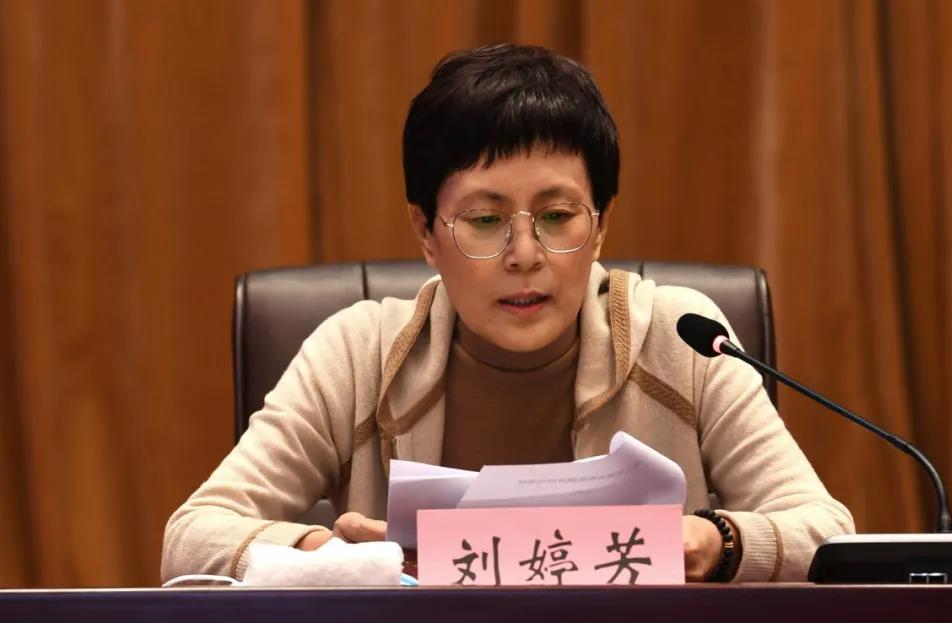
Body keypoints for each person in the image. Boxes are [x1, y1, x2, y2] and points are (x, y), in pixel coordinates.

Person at [162, 44, 853, 584]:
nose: (525, 255)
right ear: (426, 232)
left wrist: (715, 541)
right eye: (486, 220)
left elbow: (828, 535)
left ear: (601, 224)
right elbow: (192, 537)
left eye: (557, 216)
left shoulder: (681, 340)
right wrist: (339, 557)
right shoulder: (358, 352)